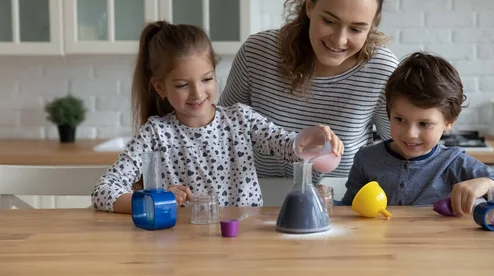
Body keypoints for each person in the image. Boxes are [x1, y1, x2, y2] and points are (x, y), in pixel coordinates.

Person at [92, 21, 343, 213]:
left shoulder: (241, 119)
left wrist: (311, 138)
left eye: (207, 79)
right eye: (182, 85)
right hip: (184, 246)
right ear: (160, 88)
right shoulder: (155, 134)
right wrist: (156, 201)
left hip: (243, 243)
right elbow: (103, 191)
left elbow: (287, 146)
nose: (198, 93)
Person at [219, 0, 399, 181]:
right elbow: (222, 129)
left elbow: (401, 148)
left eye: (356, 29)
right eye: (330, 21)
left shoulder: (382, 70)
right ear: (310, 7)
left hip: (343, 205)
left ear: (373, 24)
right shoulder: (258, 53)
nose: (339, 40)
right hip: (256, 200)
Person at [341, 52, 494, 215]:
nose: (410, 134)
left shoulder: (453, 162)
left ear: (448, 123)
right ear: (389, 113)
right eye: (400, 119)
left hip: (436, 248)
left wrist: (487, 184)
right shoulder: (366, 158)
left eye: (424, 124)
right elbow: (348, 210)